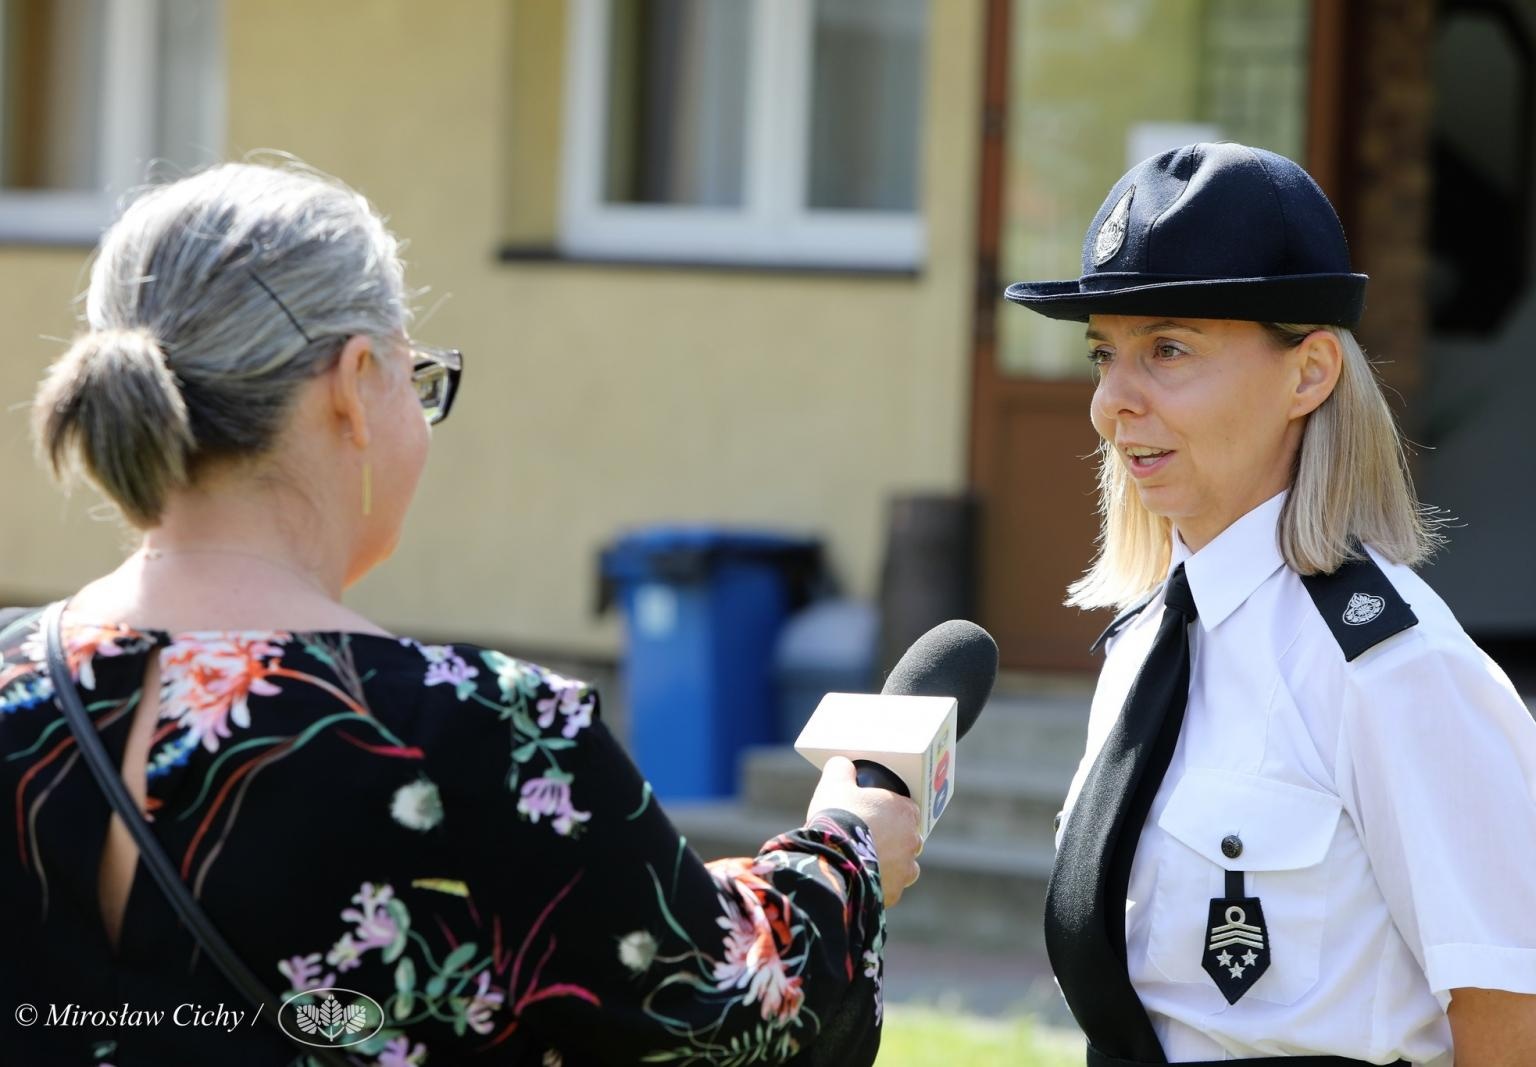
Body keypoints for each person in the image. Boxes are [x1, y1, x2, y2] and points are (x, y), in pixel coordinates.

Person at [0, 161, 920, 1066]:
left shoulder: (12, 679)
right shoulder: (487, 735)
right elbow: (741, 1019)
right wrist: (846, 844)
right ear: (354, 386)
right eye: (418, 377)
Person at [1005, 142, 1536, 1065]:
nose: (1113, 403)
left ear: (1308, 374)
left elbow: (1518, 1036)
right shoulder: (1150, 638)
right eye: (1104, 353)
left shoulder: (1395, 670)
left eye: (1169, 349)